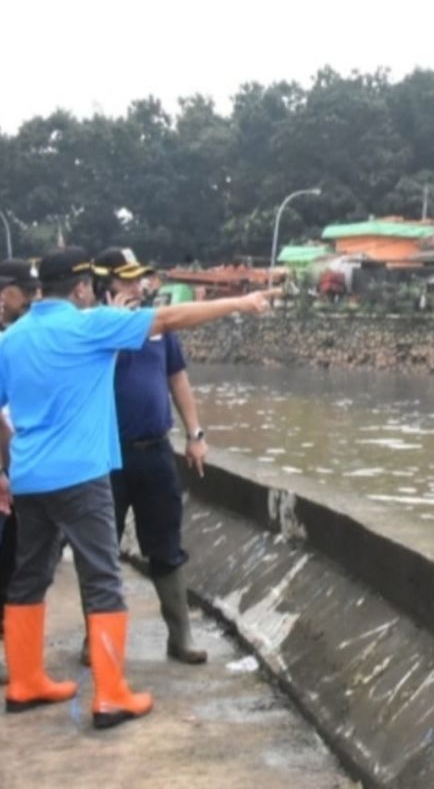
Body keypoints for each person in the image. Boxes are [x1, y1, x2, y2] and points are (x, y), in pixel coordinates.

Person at [0, 247, 276, 729]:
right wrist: (239, 303)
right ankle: (110, 696)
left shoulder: (12, 338)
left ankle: (25, 683)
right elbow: (170, 318)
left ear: (41, 288)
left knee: (29, 576)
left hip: (29, 477)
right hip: (82, 476)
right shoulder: (90, 326)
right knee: (104, 578)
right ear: (83, 286)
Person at [94, 247, 207, 664]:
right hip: (107, 456)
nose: (135, 286)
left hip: (155, 450)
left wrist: (195, 434)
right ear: (103, 285)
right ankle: (98, 639)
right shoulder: (93, 329)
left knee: (166, 543)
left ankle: (180, 635)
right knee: (101, 547)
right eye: (124, 280)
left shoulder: (161, 327)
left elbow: (177, 378)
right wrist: (118, 326)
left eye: (137, 278)